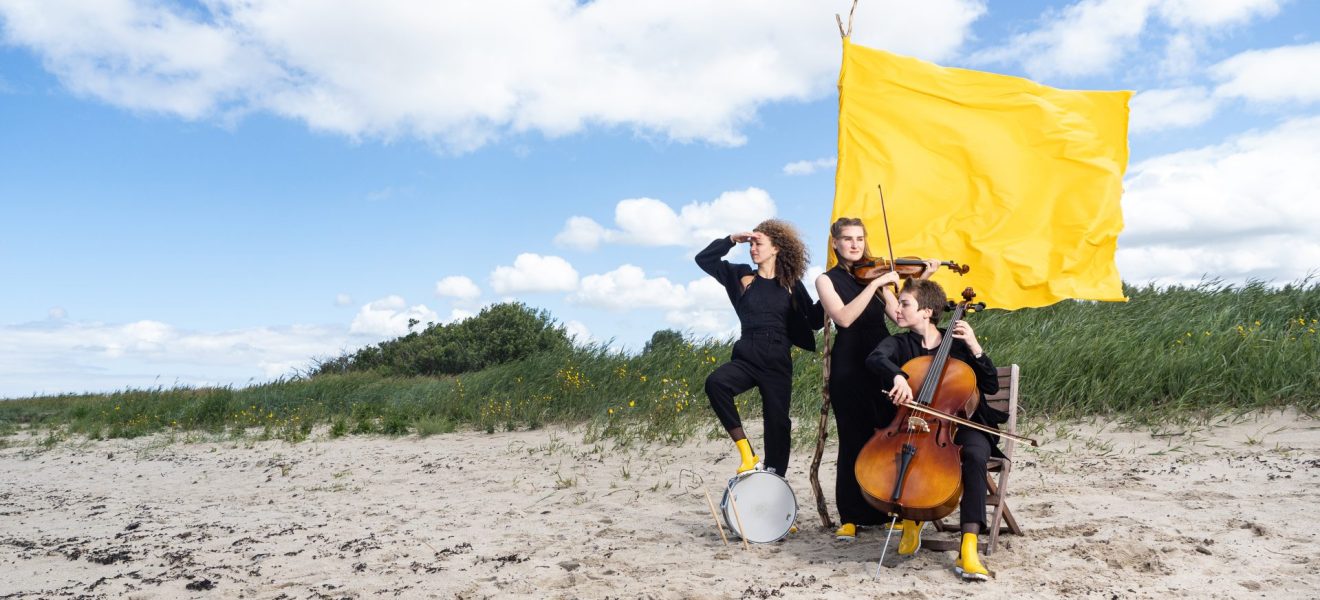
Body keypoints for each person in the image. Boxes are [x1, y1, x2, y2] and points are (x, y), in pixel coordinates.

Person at [864, 278, 1007, 582]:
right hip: (914, 424)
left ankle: (968, 547)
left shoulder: (956, 343)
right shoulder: (899, 343)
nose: (897, 310)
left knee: (975, 454)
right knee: (907, 453)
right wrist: (899, 377)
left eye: (904, 304)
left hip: (960, 423)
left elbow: (991, 386)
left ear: (927, 311)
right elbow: (876, 358)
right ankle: (912, 520)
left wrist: (974, 346)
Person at [815, 218, 940, 542]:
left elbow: (899, 317)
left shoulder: (879, 278)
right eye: (847, 239)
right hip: (849, 366)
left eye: (859, 238)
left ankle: (886, 511)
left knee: (888, 439)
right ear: (835, 243)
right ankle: (851, 517)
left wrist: (921, 280)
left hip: (884, 364)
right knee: (852, 440)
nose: (855, 245)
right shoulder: (825, 280)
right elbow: (843, 318)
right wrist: (874, 285)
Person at [697, 219, 819, 477]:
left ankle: (776, 478)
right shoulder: (742, 276)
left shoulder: (790, 283)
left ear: (776, 248)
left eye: (758, 243)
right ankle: (747, 453)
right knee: (716, 384)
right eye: (751, 243)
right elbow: (704, 259)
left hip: (777, 359)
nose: (752, 248)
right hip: (747, 355)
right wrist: (731, 239)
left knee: (778, 423)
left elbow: (816, 320)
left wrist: (832, 288)